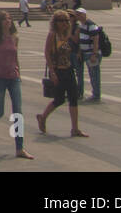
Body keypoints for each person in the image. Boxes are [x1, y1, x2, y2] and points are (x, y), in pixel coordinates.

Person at [0, 10, 33, 158]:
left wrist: (19, 74)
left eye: (9, 19)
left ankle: (19, 148)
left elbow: (16, 57)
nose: (8, 21)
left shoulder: (15, 37)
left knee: (18, 112)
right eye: (4, 19)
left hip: (13, 77)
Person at [36, 10, 88, 138]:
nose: (65, 23)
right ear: (55, 22)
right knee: (59, 99)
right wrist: (52, 72)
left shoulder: (67, 33)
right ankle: (43, 117)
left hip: (68, 69)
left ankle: (75, 129)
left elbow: (74, 43)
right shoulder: (52, 35)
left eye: (66, 20)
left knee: (73, 98)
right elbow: (47, 53)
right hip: (58, 70)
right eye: (62, 21)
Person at [73, 7, 102, 103]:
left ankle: (96, 95)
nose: (78, 16)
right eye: (77, 14)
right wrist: (80, 52)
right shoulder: (82, 26)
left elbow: (96, 40)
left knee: (94, 75)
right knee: (91, 74)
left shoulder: (91, 25)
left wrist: (94, 54)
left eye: (80, 14)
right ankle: (95, 94)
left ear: (85, 15)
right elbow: (80, 41)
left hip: (91, 54)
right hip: (85, 53)